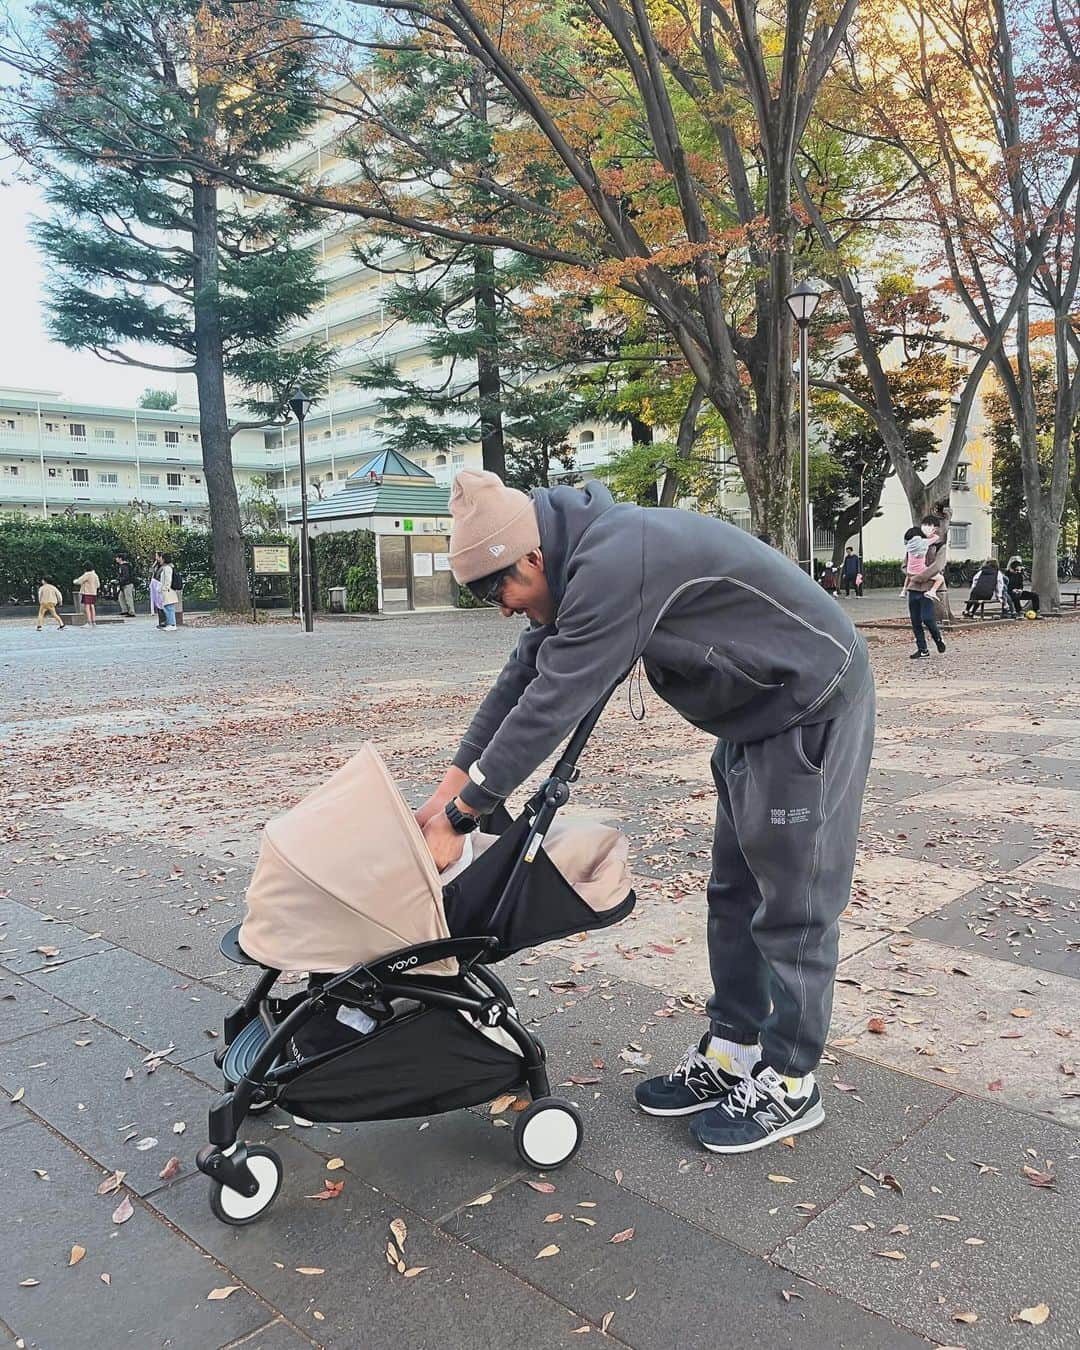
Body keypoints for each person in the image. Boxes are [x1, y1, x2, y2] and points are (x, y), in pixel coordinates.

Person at [417, 470, 875, 1154]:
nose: (504, 608)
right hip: (752, 720)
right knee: (733, 892)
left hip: (809, 704)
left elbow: (554, 700)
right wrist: (446, 793)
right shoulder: (577, 563)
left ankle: (790, 1079)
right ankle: (734, 1049)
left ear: (533, 558)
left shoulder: (614, 561)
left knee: (794, 903)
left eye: (499, 590)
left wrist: (464, 816)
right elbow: (520, 679)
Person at [903, 505, 951, 658]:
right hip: (913, 589)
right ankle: (922, 649)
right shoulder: (914, 544)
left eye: (932, 526)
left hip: (927, 588)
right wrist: (910, 575)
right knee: (915, 621)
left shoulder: (939, 547)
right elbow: (905, 565)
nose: (928, 529)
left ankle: (938, 640)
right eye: (926, 525)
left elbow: (938, 566)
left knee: (928, 619)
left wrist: (920, 577)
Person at [159, 553, 179, 630]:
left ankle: (172, 624)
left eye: (161, 558)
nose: (160, 559)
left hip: (168, 590)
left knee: (169, 608)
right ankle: (170, 623)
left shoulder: (167, 568)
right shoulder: (169, 567)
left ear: (164, 559)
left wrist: (164, 588)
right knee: (168, 607)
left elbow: (168, 579)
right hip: (168, 590)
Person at [150, 552, 167, 628]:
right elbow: (151, 571)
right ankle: (161, 621)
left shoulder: (164, 567)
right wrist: (154, 565)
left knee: (161, 605)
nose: (156, 558)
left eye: (157, 556)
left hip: (160, 586)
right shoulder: (157, 566)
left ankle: (164, 621)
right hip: (155, 586)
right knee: (158, 605)